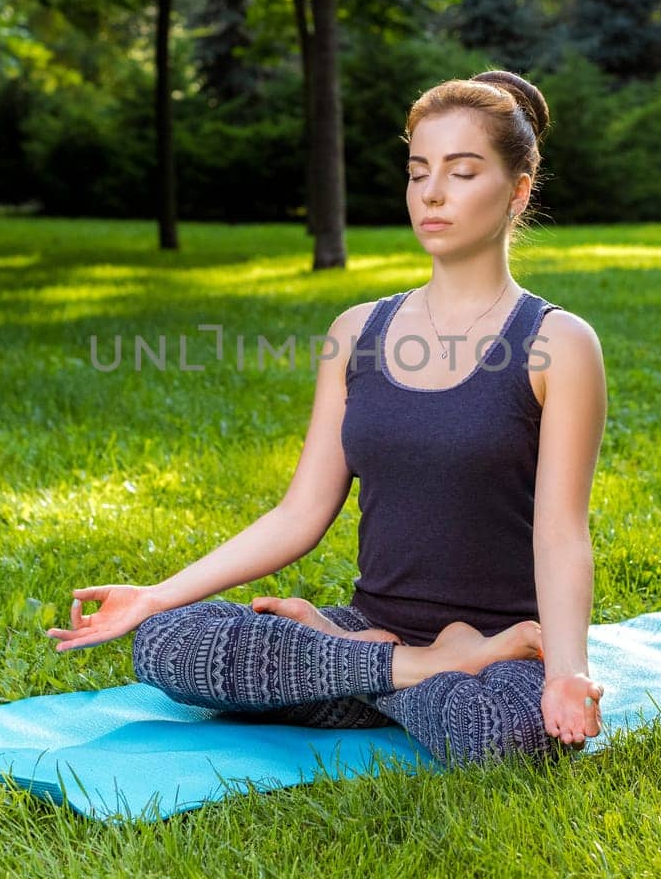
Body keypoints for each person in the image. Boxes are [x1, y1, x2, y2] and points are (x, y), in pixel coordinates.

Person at [47, 70, 609, 767]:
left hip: (507, 643)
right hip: (367, 628)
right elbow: (301, 513)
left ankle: (383, 666)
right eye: (418, 172)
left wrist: (564, 671)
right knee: (166, 641)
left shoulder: (560, 344)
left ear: (518, 191)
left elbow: (561, 532)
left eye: (462, 172)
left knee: (505, 738)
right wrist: (154, 595)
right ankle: (414, 665)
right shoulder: (356, 331)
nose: (431, 193)